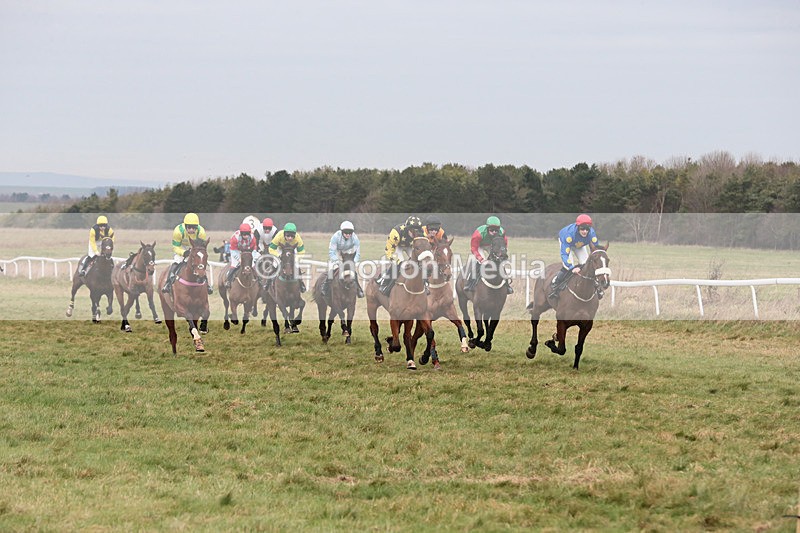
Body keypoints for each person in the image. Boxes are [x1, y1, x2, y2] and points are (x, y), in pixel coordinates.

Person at [549, 214, 603, 299]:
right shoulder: (569, 236)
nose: (585, 231)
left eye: (587, 229)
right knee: (567, 266)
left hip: (579, 245)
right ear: (578, 227)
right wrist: (572, 268)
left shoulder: (592, 234)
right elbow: (564, 254)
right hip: (568, 243)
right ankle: (555, 284)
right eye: (582, 229)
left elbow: (596, 251)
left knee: (586, 264)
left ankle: (595, 285)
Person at [162, 212, 213, 295]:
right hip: (181, 247)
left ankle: (207, 284)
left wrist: (195, 252)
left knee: (200, 264)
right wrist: (183, 252)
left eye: (194, 228)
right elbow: (175, 247)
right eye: (189, 227)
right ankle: (167, 283)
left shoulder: (201, 232)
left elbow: (202, 247)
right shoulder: (178, 231)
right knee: (177, 262)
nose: (192, 230)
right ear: (185, 226)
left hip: (195, 247)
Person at [463, 215, 513, 294]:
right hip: (480, 246)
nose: (494, 232)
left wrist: (501, 254)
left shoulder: (502, 232)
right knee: (481, 263)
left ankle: (507, 285)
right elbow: (474, 248)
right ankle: (470, 283)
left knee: (500, 262)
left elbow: (504, 245)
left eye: (496, 230)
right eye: (492, 230)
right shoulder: (478, 234)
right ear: (487, 228)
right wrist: (481, 259)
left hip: (492, 246)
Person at [377, 216, 424, 295]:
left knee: (419, 262)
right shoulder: (396, 233)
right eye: (412, 231)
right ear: (407, 229)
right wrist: (397, 261)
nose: (415, 233)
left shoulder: (422, 233)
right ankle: (384, 282)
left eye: (417, 231)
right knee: (399, 263)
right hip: (397, 246)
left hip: (410, 246)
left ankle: (425, 284)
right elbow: (389, 250)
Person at [322, 220, 364, 298]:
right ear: (342, 232)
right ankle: (325, 287)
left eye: (350, 233)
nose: (348, 235)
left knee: (353, 271)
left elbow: (357, 253)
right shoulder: (335, 237)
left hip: (348, 253)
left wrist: (353, 262)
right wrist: (337, 261)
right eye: (346, 233)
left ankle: (359, 289)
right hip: (337, 252)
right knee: (332, 268)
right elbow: (332, 251)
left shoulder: (355, 238)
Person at [268, 222, 307, 292]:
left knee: (297, 267)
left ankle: (301, 284)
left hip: (292, 250)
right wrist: (278, 256)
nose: (290, 238)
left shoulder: (298, 238)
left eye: (292, 236)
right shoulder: (279, 236)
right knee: (275, 264)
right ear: (284, 234)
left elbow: (301, 252)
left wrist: (295, 259)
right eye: (288, 236)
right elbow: (271, 248)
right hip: (280, 250)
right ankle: (268, 283)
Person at [225, 223, 259, 289]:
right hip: (236, 251)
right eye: (244, 234)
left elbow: (254, 248)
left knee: (253, 265)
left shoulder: (252, 237)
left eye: (247, 234)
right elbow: (233, 251)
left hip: (248, 251)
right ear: (241, 233)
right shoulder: (235, 238)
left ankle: (259, 281)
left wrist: (253, 258)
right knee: (235, 265)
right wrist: (239, 259)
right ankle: (228, 281)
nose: (246, 236)